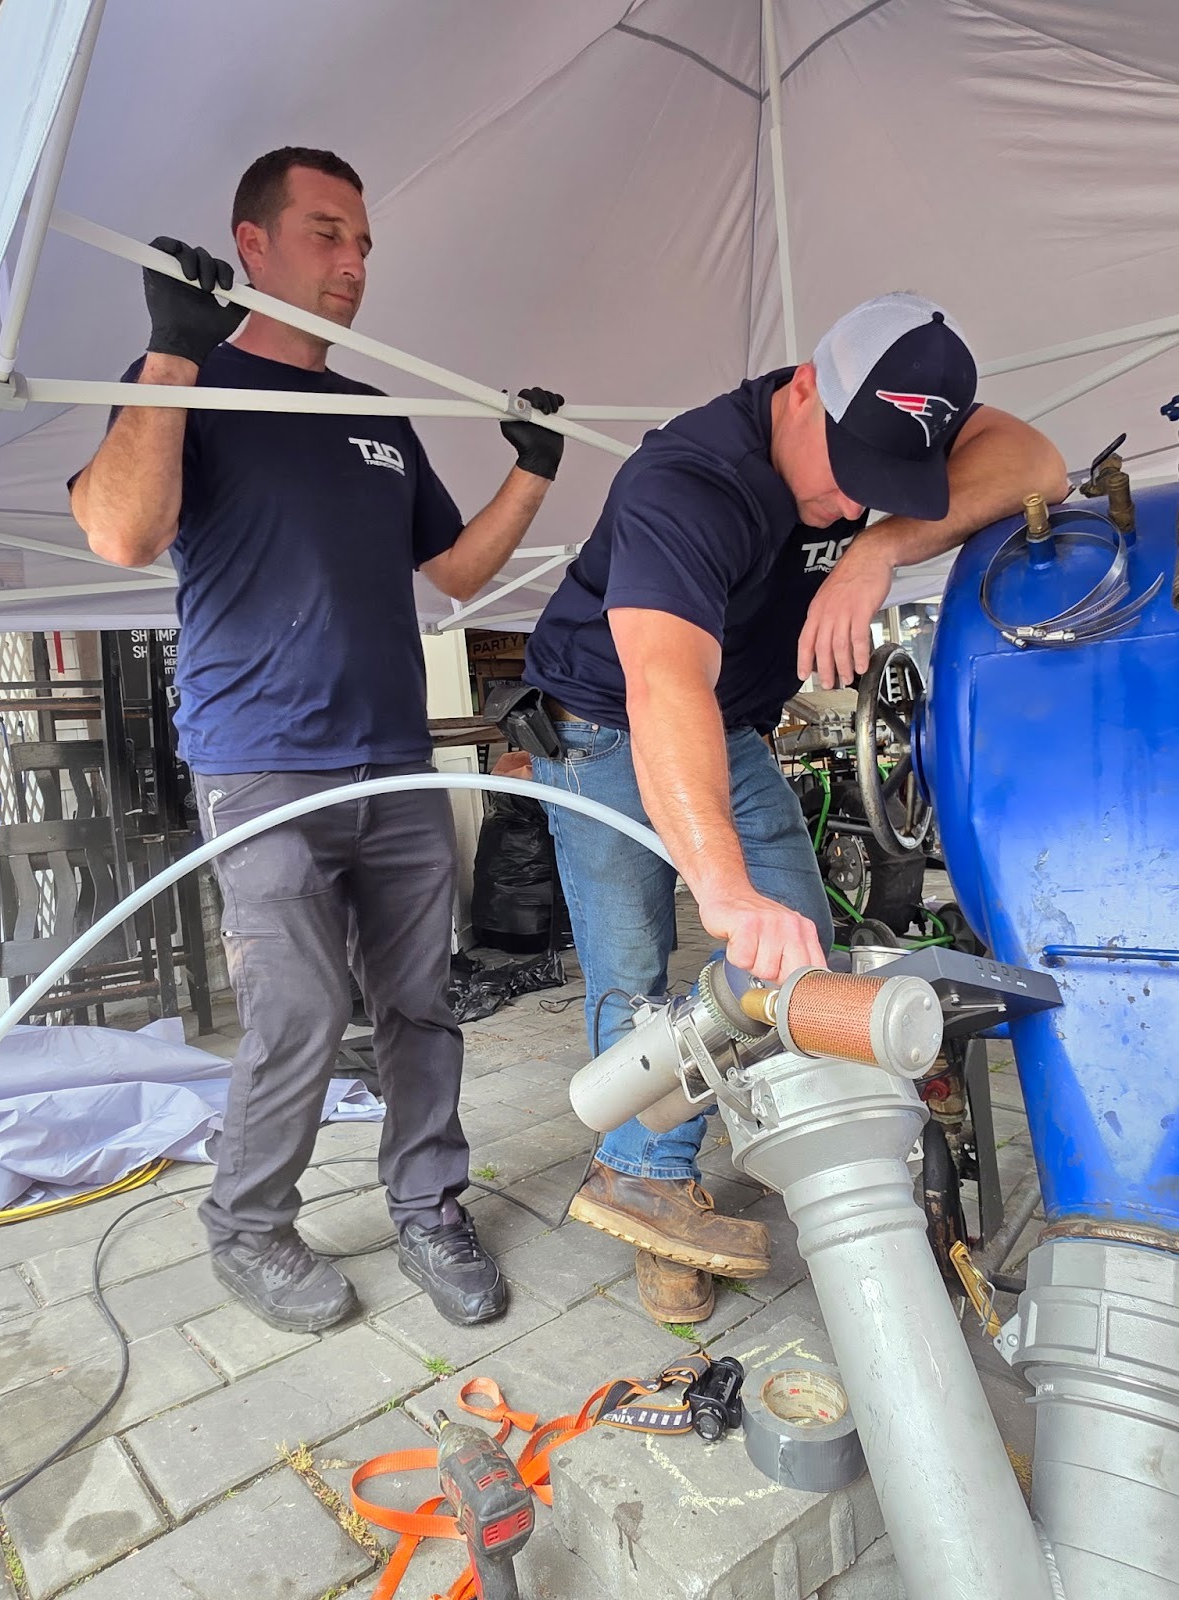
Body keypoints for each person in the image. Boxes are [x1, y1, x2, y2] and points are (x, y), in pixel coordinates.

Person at [69, 147, 566, 1332]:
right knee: (296, 1012)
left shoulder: (375, 413)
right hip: (263, 761)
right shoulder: (190, 388)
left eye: (362, 244)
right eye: (327, 233)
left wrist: (533, 472)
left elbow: (454, 571)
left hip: (393, 759)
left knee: (419, 1003)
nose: (353, 264)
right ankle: (246, 1226)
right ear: (255, 244)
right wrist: (174, 350)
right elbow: (121, 533)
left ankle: (431, 1210)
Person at [524, 292, 1067, 1324]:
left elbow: (1036, 464)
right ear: (804, 388)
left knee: (797, 944)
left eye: (884, 484)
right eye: (850, 477)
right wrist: (718, 889)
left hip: (727, 724)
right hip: (604, 721)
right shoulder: (687, 482)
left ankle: (814, 1142)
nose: (846, 502)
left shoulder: (875, 456)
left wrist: (881, 549)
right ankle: (641, 1177)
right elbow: (663, 687)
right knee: (637, 964)